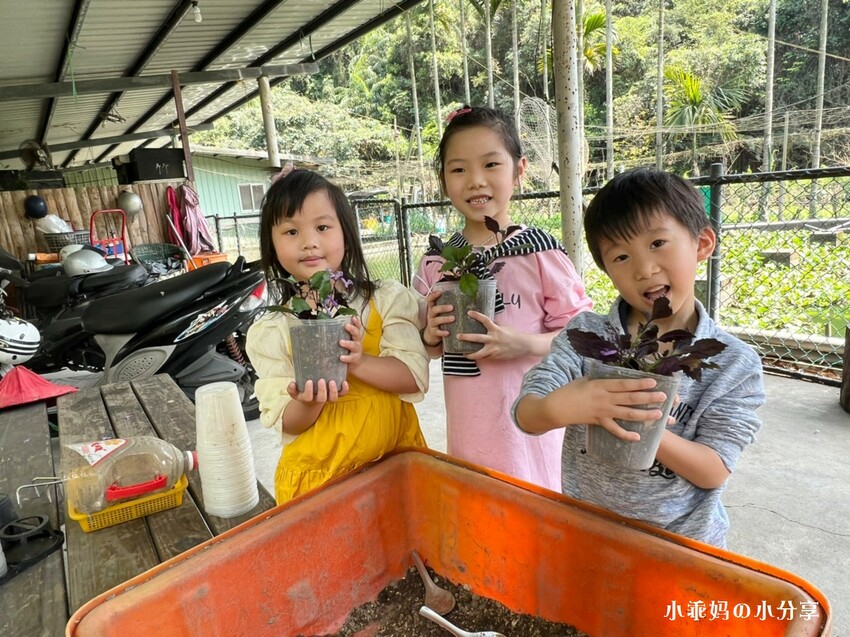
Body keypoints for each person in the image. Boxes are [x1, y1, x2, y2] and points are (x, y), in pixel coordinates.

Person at [513, 167, 765, 547]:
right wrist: (564, 407)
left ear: (703, 244)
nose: (644, 269)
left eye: (657, 243)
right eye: (621, 257)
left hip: (681, 545)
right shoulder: (588, 337)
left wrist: (645, 425)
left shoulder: (734, 364)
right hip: (588, 534)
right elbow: (526, 414)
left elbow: (714, 469)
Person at [414, 106, 592, 491]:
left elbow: (581, 336)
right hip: (470, 432)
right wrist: (429, 334)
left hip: (531, 429)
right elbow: (426, 348)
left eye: (491, 164)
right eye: (459, 169)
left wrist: (522, 344)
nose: (476, 181)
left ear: (519, 170)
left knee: (537, 517)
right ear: (443, 181)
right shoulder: (436, 261)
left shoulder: (538, 251)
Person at [246, 170, 429, 504]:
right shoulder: (274, 328)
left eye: (323, 227)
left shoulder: (385, 300)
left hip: (395, 467)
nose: (309, 241)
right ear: (272, 246)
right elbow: (290, 421)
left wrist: (356, 361)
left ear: (346, 233)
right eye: (291, 231)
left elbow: (412, 377)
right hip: (319, 481)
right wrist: (309, 398)